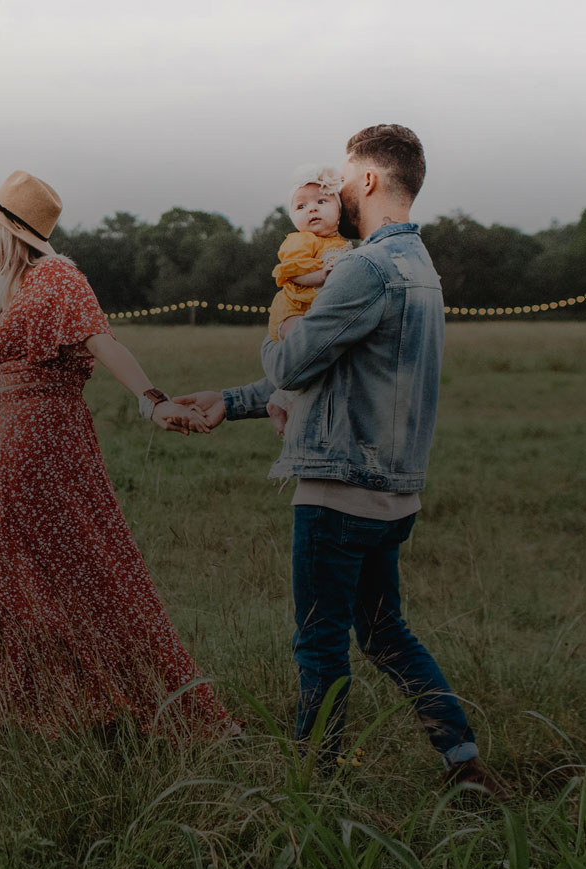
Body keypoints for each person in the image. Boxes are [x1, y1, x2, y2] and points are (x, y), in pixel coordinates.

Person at [177, 126, 502, 792]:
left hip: (337, 493)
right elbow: (337, 376)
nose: (339, 191)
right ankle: (462, 762)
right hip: (394, 495)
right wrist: (232, 401)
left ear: (372, 181)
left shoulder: (363, 267)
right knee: (386, 635)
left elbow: (296, 360)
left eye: (346, 178)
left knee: (320, 646)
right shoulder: (421, 269)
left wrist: (282, 333)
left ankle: (313, 789)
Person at [0, 170, 238, 737]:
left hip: (42, 444)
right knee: (5, 572)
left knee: (80, 572)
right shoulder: (22, 291)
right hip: (9, 444)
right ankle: (12, 711)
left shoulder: (57, 276)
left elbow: (102, 340)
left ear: (7, 230)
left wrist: (152, 400)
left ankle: (102, 706)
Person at [266, 165, 352, 433]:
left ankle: (280, 400)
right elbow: (292, 271)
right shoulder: (301, 240)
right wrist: (319, 276)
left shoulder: (342, 244)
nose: (311, 209)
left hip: (313, 311)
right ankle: (286, 401)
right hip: (292, 309)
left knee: (318, 357)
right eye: (301, 206)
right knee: (301, 348)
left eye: (321, 202)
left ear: (339, 211)